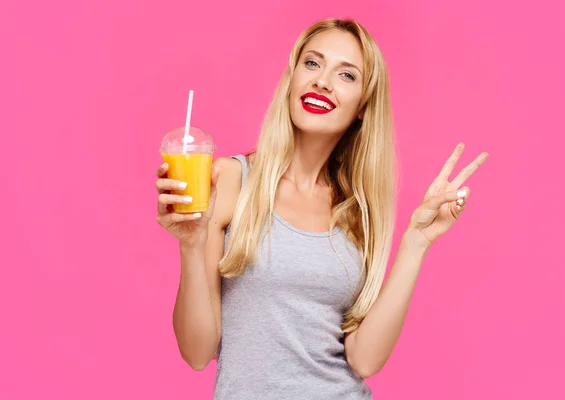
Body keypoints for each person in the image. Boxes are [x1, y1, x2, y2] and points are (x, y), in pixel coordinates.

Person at [155, 18, 488, 400]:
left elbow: (364, 360)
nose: (323, 81)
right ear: (293, 77)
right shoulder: (231, 180)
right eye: (312, 63)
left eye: (346, 75)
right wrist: (191, 245)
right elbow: (197, 353)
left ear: (363, 106)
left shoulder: (355, 209)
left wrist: (417, 240)